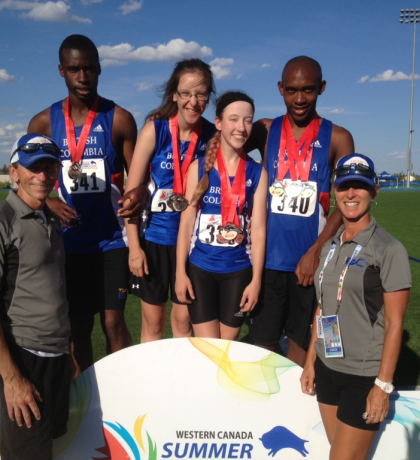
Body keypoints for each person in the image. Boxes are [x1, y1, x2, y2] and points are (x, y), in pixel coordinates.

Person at [27, 34, 137, 375]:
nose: (83, 77)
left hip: (111, 241)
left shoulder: (119, 119)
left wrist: (139, 194)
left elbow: (137, 179)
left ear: (100, 68)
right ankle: (86, 399)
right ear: (62, 71)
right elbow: (29, 185)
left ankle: (126, 390)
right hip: (68, 243)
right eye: (75, 69)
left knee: (113, 323)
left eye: (89, 68)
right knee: (78, 327)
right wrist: (50, 202)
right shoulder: (43, 123)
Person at [300, 154, 411, 460]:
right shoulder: (331, 245)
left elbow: (394, 324)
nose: (351, 194)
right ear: (334, 191)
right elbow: (323, 308)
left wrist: (383, 385)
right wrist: (311, 360)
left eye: (359, 187)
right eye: (344, 186)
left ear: (374, 190)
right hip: (327, 367)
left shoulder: (389, 249)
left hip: (362, 377)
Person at [247, 56, 355, 366]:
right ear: (280, 88)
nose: (299, 99)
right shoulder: (264, 130)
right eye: (291, 90)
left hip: (310, 265)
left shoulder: (338, 138)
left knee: (300, 346)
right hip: (266, 260)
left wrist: (316, 251)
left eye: (308, 90)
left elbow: (346, 204)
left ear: (322, 88)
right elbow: (226, 148)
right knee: (263, 346)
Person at [125, 59, 216, 342]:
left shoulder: (213, 136)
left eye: (201, 94)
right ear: (174, 94)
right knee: (153, 325)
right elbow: (130, 195)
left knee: (182, 323)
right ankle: (150, 384)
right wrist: (134, 249)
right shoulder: (156, 130)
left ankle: (183, 384)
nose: (193, 101)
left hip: (190, 245)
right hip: (153, 241)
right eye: (186, 93)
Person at [0, 134, 71, 460]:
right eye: (32, 168)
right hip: (23, 360)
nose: (42, 176)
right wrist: (12, 379)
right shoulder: (4, 221)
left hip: (55, 357)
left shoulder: (50, 216)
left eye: (49, 167)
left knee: (52, 446)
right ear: (14, 172)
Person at [175, 91, 267, 340]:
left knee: (226, 350)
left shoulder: (258, 172)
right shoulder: (198, 167)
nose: (241, 127)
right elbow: (186, 225)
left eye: (248, 120)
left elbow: (258, 230)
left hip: (238, 271)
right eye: (234, 119)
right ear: (218, 123)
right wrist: (180, 273)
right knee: (207, 347)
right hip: (200, 269)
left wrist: (256, 280)